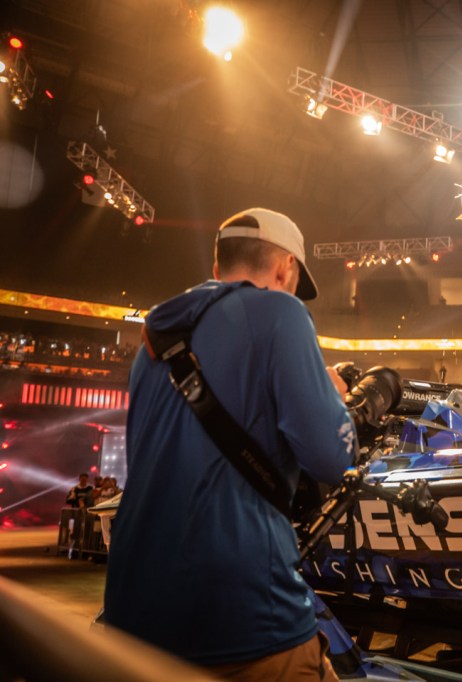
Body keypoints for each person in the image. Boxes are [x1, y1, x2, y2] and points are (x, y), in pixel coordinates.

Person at [103, 208, 356, 680]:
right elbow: (332, 459)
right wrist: (332, 398)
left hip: (133, 619)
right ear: (285, 268)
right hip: (244, 614)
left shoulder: (153, 343)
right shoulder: (283, 312)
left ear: (218, 268)